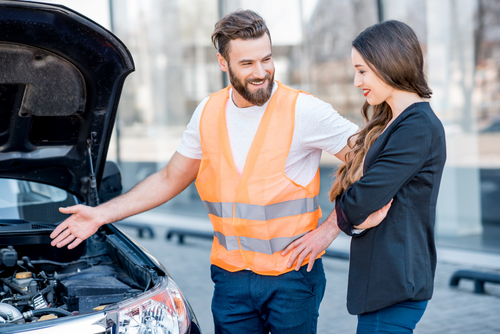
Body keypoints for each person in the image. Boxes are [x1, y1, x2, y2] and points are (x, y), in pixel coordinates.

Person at [50, 9, 386, 334]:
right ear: (223, 63)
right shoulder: (207, 113)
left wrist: (330, 229)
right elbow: (169, 179)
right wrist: (99, 214)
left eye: (266, 59)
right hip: (230, 279)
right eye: (247, 63)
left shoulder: (304, 110)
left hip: (292, 278)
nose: (261, 72)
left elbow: (374, 161)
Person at [284, 20, 446, 333]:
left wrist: (349, 220)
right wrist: (358, 221)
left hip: (397, 284)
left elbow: (366, 195)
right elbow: (365, 200)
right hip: (383, 281)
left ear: (388, 64)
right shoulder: (394, 121)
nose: (357, 81)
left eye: (363, 70)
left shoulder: (418, 127)